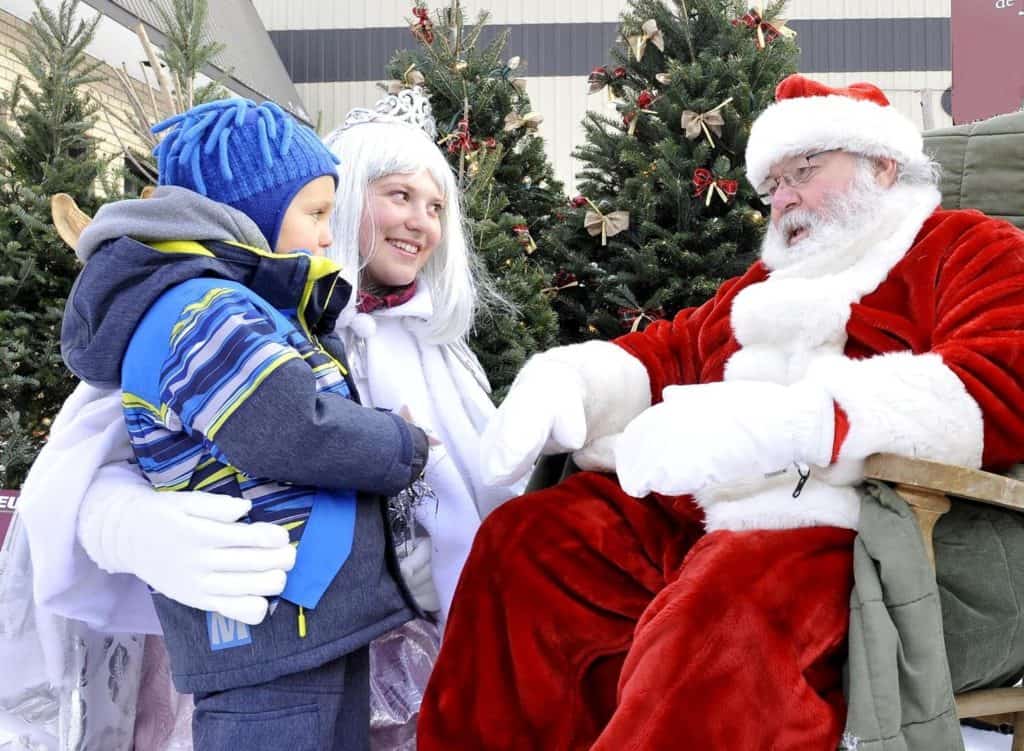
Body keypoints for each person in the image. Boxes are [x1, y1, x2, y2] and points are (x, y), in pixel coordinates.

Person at [417, 74, 1024, 750]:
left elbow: (998, 381)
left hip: (864, 528)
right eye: (772, 186)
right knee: (528, 543)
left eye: (805, 170)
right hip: (705, 514)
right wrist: (572, 381)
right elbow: (670, 349)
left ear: (881, 164)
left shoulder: (968, 247)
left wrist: (789, 425)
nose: (784, 196)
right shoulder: (761, 287)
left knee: (723, 616)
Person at [4, 88, 518, 751]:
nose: (419, 220)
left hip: (372, 645)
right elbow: (89, 458)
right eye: (397, 195)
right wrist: (124, 521)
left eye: (437, 206)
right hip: (261, 630)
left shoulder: (436, 349)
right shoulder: (232, 308)